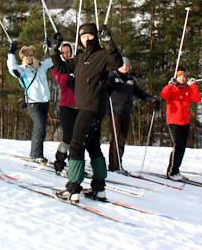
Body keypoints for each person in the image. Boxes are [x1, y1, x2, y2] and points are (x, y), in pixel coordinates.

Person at [50, 23, 123, 202]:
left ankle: (73, 189)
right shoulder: (80, 59)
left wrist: (108, 42)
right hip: (86, 107)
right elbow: (61, 67)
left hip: (92, 107)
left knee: (76, 145)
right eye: (83, 37)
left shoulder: (102, 55)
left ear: (95, 37)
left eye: (89, 35)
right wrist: (54, 50)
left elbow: (117, 62)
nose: (86, 39)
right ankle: (99, 189)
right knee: (92, 146)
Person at [107, 57, 159, 175]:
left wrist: (152, 100)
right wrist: (107, 88)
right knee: (116, 138)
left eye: (127, 65)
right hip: (115, 111)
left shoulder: (130, 80)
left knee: (123, 137)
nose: (125, 67)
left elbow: (140, 93)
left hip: (126, 112)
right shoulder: (113, 77)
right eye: (123, 65)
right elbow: (104, 88)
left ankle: (119, 163)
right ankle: (113, 165)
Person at [7, 42, 53, 165]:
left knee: (42, 129)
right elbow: (12, 68)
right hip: (33, 103)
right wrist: (11, 53)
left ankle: (39, 153)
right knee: (39, 126)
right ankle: (36, 154)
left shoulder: (42, 66)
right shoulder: (22, 70)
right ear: (23, 58)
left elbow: (53, 60)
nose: (29, 58)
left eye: (31, 55)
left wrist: (51, 47)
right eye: (26, 56)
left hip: (44, 101)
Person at [160, 66, 202, 181]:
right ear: (176, 78)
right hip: (173, 121)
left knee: (182, 147)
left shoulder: (188, 89)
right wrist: (170, 85)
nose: (182, 79)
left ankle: (176, 169)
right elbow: (163, 95)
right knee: (177, 145)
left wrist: (193, 85)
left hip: (185, 121)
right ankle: (171, 171)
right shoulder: (172, 88)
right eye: (180, 77)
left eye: (184, 77)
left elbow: (197, 99)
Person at [51, 42, 78, 175]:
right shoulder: (57, 67)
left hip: (80, 105)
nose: (66, 55)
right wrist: (69, 69)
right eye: (63, 52)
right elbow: (61, 82)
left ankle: (75, 163)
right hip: (66, 106)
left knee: (77, 138)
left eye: (68, 52)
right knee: (68, 136)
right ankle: (59, 160)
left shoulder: (77, 63)